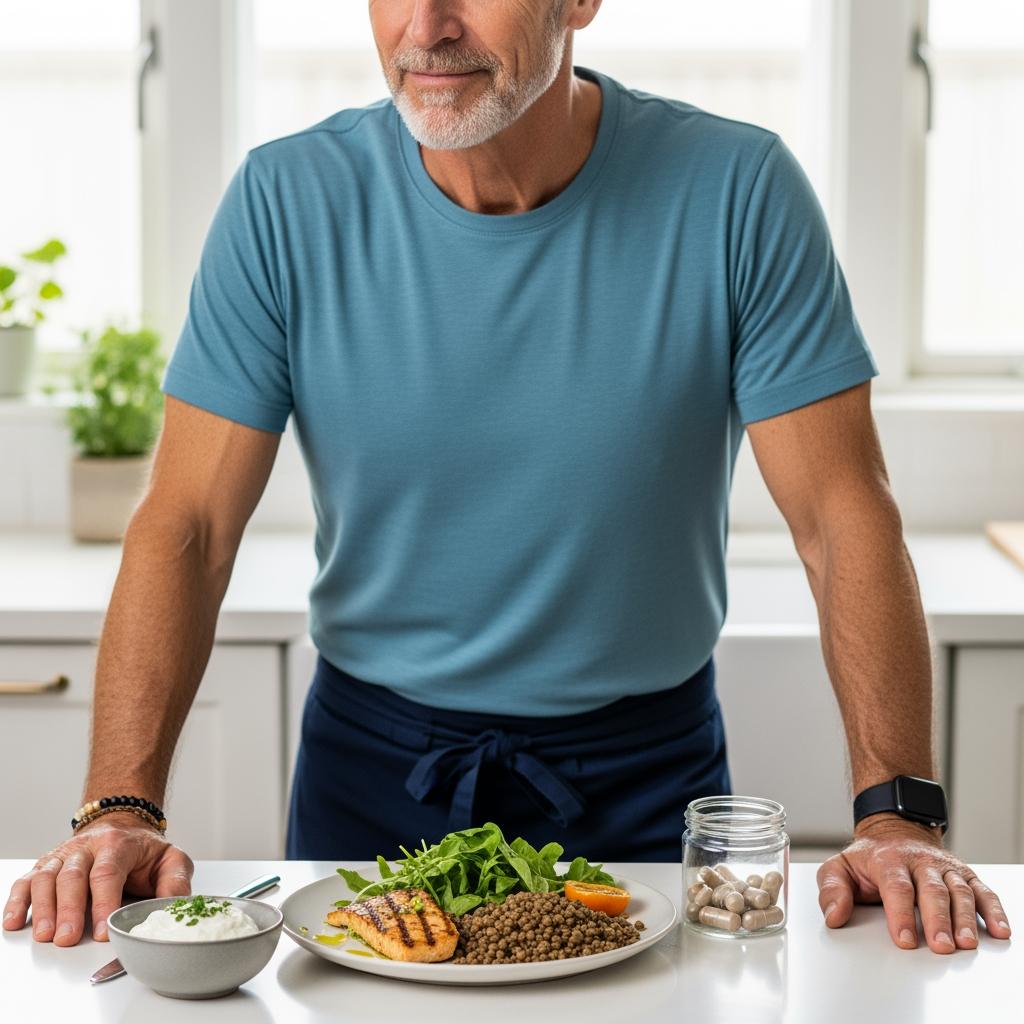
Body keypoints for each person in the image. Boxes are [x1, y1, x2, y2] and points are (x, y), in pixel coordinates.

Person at [3, 0, 1010, 956]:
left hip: (642, 787)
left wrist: (897, 816)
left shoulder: (737, 190)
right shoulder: (285, 201)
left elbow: (841, 516)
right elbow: (187, 527)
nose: (427, 27)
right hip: (374, 784)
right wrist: (119, 807)